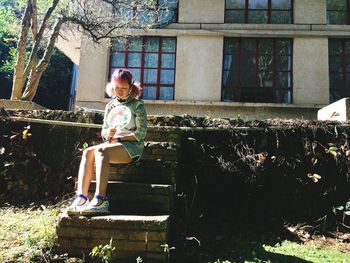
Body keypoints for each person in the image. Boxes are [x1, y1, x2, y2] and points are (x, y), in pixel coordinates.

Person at [64, 69, 148, 216]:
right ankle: (81, 198)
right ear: (112, 87)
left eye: (124, 88)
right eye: (117, 88)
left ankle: (101, 200)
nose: (120, 91)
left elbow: (141, 134)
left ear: (131, 88)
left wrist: (121, 138)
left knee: (101, 151)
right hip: (113, 145)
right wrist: (107, 134)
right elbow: (104, 132)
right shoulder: (110, 106)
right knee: (88, 152)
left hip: (132, 147)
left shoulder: (137, 105)